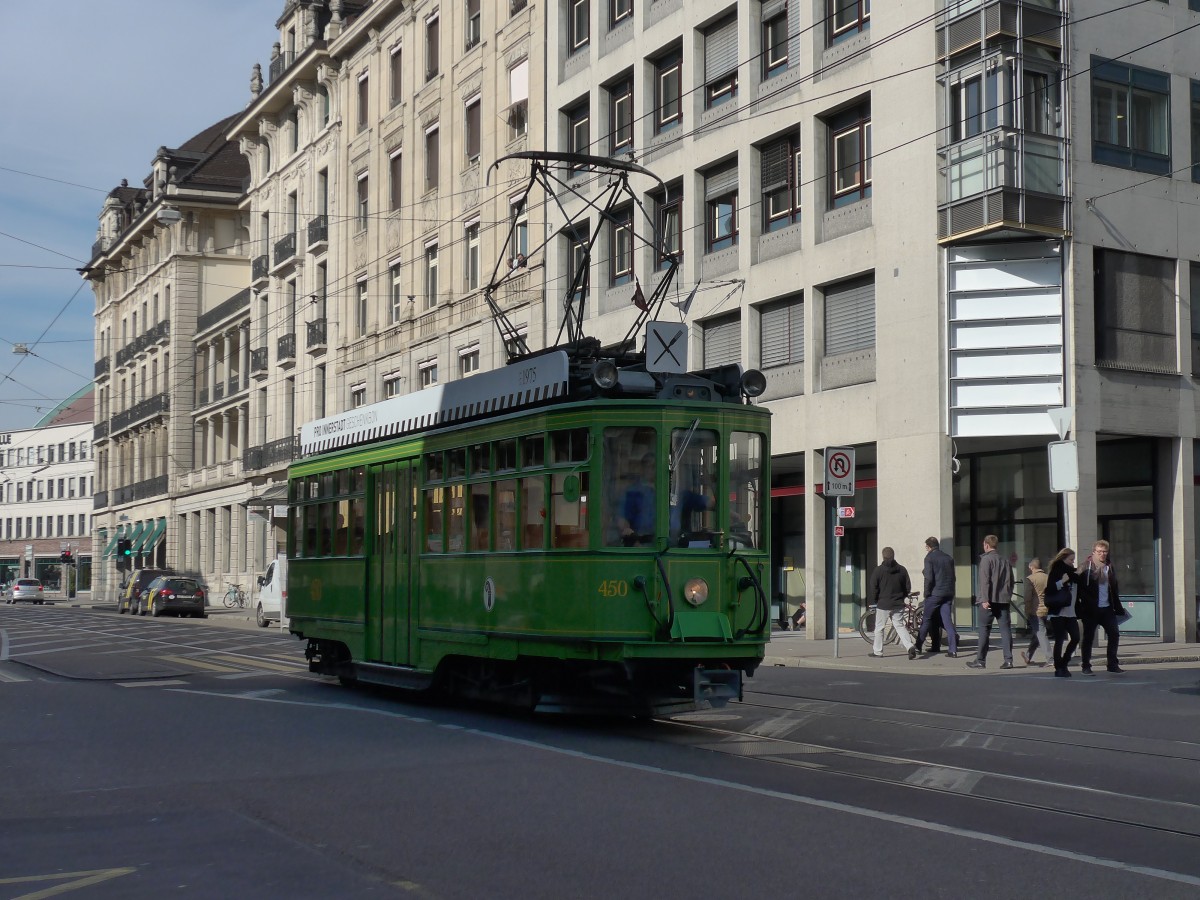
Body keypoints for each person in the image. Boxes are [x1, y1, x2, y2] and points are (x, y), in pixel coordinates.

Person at [1076, 539, 1126, 674]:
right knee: (1088, 637)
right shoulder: (1085, 566)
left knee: (1114, 634)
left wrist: (1117, 606)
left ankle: (1112, 664)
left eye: (1105, 551)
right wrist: (1080, 606)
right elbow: (1077, 588)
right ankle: (1086, 665)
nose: (1102, 554)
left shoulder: (1109, 567)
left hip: (1107, 608)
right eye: (1099, 552)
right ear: (1094, 552)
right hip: (1090, 609)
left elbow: (1114, 589)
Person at [967, 534, 1015, 669]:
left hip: (989, 600)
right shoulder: (1005, 560)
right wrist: (1008, 595)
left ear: (986, 545)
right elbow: (1011, 581)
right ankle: (1009, 660)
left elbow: (985, 581)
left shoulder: (986, 560)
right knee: (1005, 630)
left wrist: (984, 599)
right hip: (1003, 600)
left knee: (984, 630)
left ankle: (980, 660)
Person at [868, 547, 918, 659]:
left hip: (883, 604)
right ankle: (910, 646)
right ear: (894, 556)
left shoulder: (878, 570)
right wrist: (902, 596)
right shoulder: (902, 570)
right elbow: (907, 587)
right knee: (899, 626)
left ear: (883, 556)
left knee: (879, 628)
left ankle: (878, 651)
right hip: (898, 603)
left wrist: (877, 599)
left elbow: (873, 587)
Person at [915, 536, 958, 658]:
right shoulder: (948, 557)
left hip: (935, 594)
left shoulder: (929, 558)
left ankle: (918, 646)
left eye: (926, 547)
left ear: (929, 547)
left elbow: (928, 578)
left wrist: (926, 593)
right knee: (947, 621)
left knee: (926, 620)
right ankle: (952, 650)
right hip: (948, 593)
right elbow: (953, 577)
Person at [1045, 547, 1080, 677]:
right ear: (1063, 559)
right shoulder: (1056, 571)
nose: (1072, 562)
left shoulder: (1074, 574)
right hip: (1058, 612)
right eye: (1071, 559)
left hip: (1071, 612)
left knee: (1076, 637)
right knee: (1059, 639)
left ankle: (1064, 662)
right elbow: (1050, 590)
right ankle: (1058, 667)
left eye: (1073, 560)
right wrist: (1062, 581)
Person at [615, 453, 656, 546]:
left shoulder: (663, 492)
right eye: (647, 466)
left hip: (659, 543)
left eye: (653, 467)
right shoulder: (631, 491)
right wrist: (633, 540)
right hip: (637, 543)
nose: (650, 470)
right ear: (642, 468)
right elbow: (621, 520)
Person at [1021, 558, 1052, 667]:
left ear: (1031, 567)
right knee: (1037, 633)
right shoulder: (1048, 577)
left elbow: (1028, 597)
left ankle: (1050, 659)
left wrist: (1027, 610)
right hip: (1047, 610)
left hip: (1036, 610)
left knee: (1041, 634)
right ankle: (1028, 656)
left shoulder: (1031, 579)